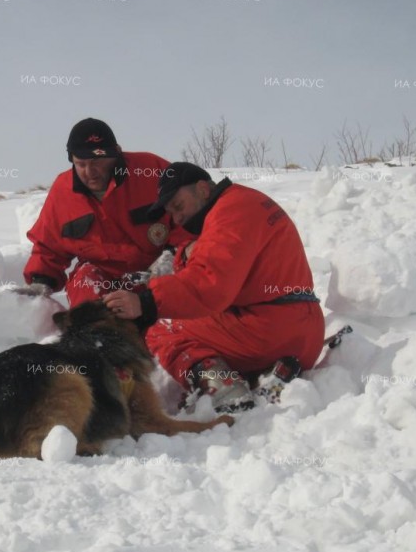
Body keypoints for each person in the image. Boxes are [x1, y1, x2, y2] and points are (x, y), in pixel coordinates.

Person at [103, 162, 325, 413]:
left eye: (178, 206)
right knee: (206, 326)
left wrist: (145, 301)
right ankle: (272, 373)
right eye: (171, 213)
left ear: (202, 189)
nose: (177, 218)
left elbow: (209, 285)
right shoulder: (246, 202)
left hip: (268, 331)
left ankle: (224, 389)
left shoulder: (228, 212)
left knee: (161, 327)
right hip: (305, 333)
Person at [21, 118, 193, 306]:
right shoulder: (63, 193)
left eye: (97, 161)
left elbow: (193, 216)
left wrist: (173, 255)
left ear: (116, 153)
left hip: (159, 271)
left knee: (181, 296)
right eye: (81, 164)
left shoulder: (152, 170)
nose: (90, 172)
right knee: (84, 279)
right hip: (104, 277)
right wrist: (40, 283)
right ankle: (95, 334)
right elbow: (48, 247)